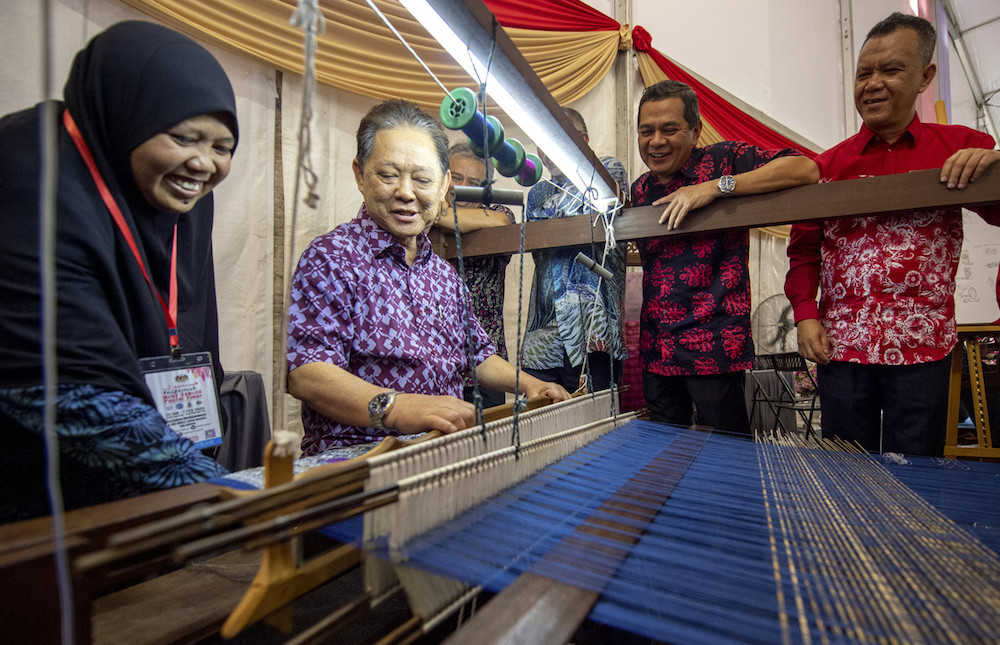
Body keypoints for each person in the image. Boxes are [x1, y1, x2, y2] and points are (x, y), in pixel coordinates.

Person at [0, 21, 238, 522]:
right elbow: (65, 392)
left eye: (222, 148)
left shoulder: (184, 199)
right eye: (184, 137)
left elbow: (191, 332)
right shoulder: (27, 172)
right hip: (27, 498)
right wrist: (236, 501)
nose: (203, 164)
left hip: (137, 492)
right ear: (127, 115)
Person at [286, 99, 569, 454]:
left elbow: (477, 353)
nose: (406, 192)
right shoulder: (331, 258)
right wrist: (399, 407)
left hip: (441, 452)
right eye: (388, 175)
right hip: (357, 459)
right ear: (360, 175)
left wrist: (529, 384)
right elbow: (307, 373)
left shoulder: (442, 275)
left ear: (442, 185)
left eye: (422, 179)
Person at [784, 12, 1000, 457]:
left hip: (923, 348)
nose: (873, 83)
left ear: (925, 77)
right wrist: (806, 314)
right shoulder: (824, 167)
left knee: (917, 468)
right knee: (846, 467)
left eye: (891, 70)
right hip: (840, 347)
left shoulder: (961, 149)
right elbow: (804, 251)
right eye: (864, 73)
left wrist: (996, 165)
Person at [632, 80, 819, 433]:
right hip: (657, 349)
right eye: (646, 131)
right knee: (665, 456)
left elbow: (804, 169)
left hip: (714, 347)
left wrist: (717, 187)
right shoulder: (640, 189)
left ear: (695, 130)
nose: (656, 141)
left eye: (669, 129)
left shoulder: (724, 160)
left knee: (726, 458)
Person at [522, 108, 630, 393]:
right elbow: (542, 229)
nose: (545, 151)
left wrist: (554, 214)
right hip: (542, 336)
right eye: (540, 142)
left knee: (595, 427)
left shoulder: (608, 169)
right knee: (540, 426)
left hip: (595, 332)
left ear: (582, 140)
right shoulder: (537, 191)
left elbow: (577, 212)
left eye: (554, 139)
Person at [435, 142, 516, 409]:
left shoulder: (499, 212)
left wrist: (439, 213)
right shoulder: (414, 216)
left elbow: (501, 223)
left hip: (488, 367)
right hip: (438, 366)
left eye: (473, 183)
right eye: (456, 178)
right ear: (442, 176)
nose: (461, 189)